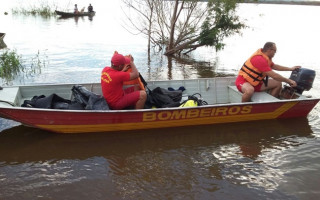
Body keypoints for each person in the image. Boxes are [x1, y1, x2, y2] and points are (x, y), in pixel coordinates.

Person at [236, 42, 300, 102]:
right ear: (269, 50)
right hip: (244, 81)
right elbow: (274, 76)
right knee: (249, 90)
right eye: (275, 51)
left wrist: (290, 69)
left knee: (278, 83)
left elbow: (275, 66)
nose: (275, 53)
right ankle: (244, 109)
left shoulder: (266, 58)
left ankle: (269, 104)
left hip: (257, 83)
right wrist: (289, 81)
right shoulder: (259, 59)